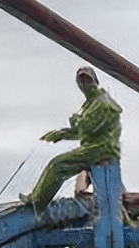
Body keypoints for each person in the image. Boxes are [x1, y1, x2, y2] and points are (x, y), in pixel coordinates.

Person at [23, 66, 122, 210]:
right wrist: (60, 134)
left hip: (100, 150)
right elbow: (82, 130)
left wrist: (69, 128)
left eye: (88, 81)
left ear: (95, 82)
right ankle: (35, 197)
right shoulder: (91, 103)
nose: (84, 85)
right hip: (94, 148)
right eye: (81, 82)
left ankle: (37, 203)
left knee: (57, 165)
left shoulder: (102, 103)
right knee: (56, 165)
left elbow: (86, 128)